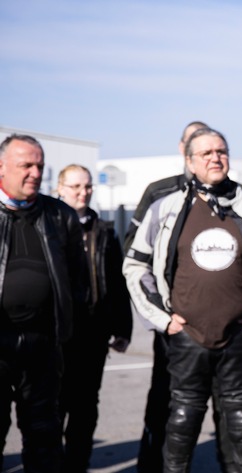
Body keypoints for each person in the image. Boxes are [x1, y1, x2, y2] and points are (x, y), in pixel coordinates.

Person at [123, 127, 242, 472]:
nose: (215, 157)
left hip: (240, 336)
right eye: (205, 153)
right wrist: (163, 319)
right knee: (182, 420)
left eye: (221, 151)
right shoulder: (166, 209)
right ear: (189, 161)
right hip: (186, 337)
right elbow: (135, 265)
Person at [126, 121, 236, 473]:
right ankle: (151, 463)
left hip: (226, 329)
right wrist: (161, 310)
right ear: (184, 152)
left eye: (217, 149)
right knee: (165, 399)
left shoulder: (235, 195)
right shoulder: (160, 193)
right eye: (197, 146)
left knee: (228, 404)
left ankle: (225, 461)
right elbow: (134, 250)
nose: (211, 156)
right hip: (175, 324)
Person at [0, 134, 87, 472]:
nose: (35, 173)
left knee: (44, 436)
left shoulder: (59, 215)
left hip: (43, 347)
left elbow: (76, 281)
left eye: (39, 165)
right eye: (26, 165)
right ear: (3, 168)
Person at [56, 165, 132, 472]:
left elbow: (117, 283)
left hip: (93, 333)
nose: (82, 192)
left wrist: (122, 327)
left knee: (86, 407)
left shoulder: (104, 231)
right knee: (52, 406)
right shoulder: (47, 225)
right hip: (57, 336)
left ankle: (77, 464)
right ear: (60, 188)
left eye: (87, 186)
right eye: (75, 186)